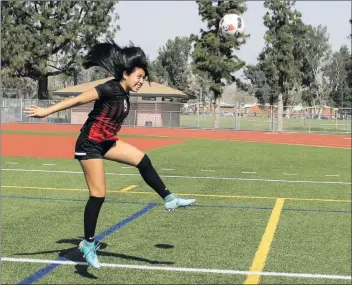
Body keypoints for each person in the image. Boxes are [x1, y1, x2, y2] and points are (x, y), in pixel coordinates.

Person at [24, 37, 196, 269]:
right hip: (89, 145)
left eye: (143, 78)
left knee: (142, 160)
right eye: (138, 77)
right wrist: (47, 111)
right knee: (98, 195)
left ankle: (169, 199)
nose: (141, 82)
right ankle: (88, 243)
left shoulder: (124, 95)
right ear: (125, 74)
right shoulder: (108, 88)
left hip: (107, 142)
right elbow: (77, 100)